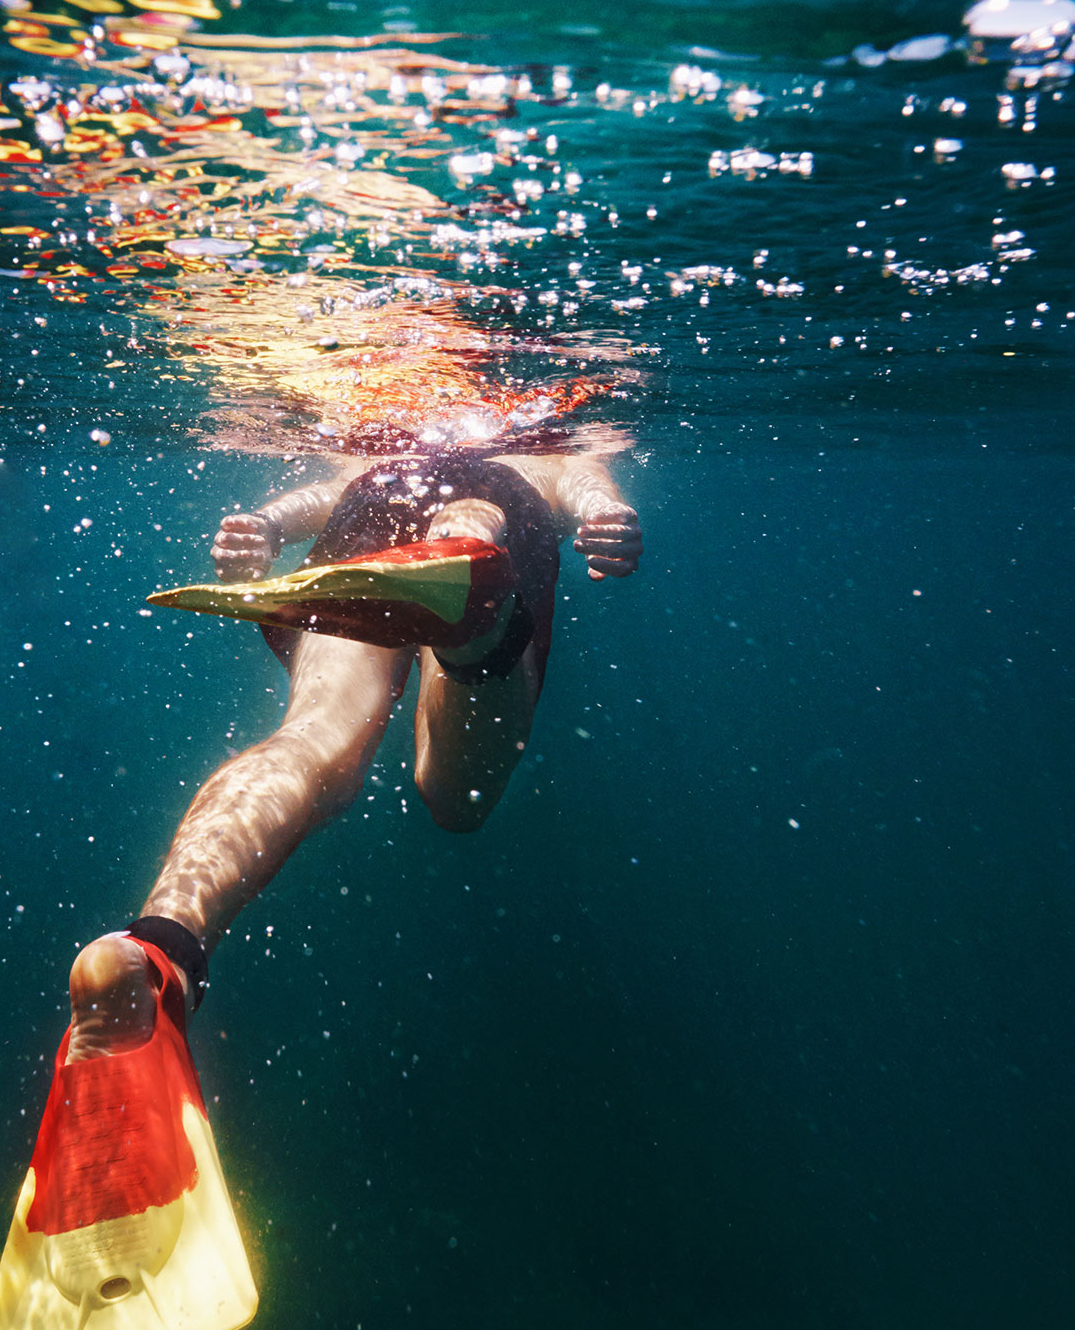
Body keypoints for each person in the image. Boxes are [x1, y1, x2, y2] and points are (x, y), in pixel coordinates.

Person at [66, 446, 643, 1055]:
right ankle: (472, 581)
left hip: (376, 496)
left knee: (315, 736)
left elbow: (332, 493)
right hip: (504, 500)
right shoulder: (534, 443)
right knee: (454, 797)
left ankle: (163, 949)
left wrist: (267, 524)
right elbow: (575, 475)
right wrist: (603, 510)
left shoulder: (379, 436)